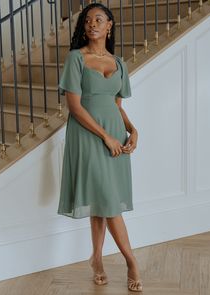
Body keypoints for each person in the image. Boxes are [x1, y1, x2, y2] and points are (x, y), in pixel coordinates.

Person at [57, 2, 142, 292]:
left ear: (109, 26)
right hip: (89, 135)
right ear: (83, 27)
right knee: (107, 199)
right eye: (87, 20)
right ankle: (132, 261)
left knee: (101, 200)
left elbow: (116, 105)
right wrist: (106, 136)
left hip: (116, 136)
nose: (92, 23)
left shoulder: (120, 64)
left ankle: (96, 259)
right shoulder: (75, 59)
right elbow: (75, 107)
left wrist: (132, 129)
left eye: (99, 19)